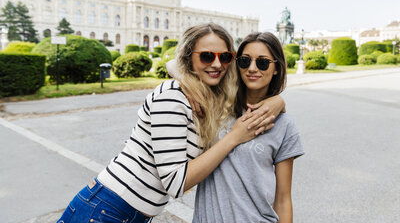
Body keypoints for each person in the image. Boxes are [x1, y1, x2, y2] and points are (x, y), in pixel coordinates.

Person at [57, 24, 284, 223]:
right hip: (106, 208)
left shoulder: (208, 97)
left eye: (225, 57)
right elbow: (176, 183)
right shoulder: (172, 97)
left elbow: (177, 65)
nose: (217, 64)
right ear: (188, 58)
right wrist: (234, 137)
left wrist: (278, 101)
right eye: (206, 56)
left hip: (125, 211)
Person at [192, 32, 304, 223]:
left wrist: (279, 101)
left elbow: (283, 199)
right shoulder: (215, 104)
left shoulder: (284, 125)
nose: (252, 69)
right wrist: (279, 100)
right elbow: (177, 67)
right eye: (245, 61)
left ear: (276, 68)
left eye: (262, 62)